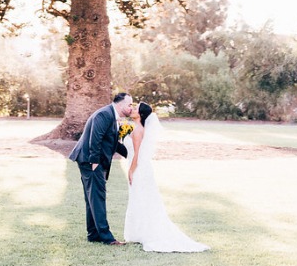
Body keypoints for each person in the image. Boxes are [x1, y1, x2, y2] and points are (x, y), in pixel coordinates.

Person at [123, 101, 209, 252]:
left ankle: (146, 233)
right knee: (142, 200)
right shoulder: (138, 128)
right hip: (143, 169)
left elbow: (137, 154)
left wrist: (131, 171)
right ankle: (139, 232)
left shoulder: (137, 130)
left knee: (141, 199)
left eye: (135, 108)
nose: (132, 109)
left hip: (139, 169)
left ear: (141, 114)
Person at [68, 92, 134, 245]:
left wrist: (132, 153)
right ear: (121, 104)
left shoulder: (112, 116)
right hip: (90, 160)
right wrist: (95, 162)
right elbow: (95, 138)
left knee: (92, 197)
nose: (131, 108)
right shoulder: (104, 115)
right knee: (98, 197)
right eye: (129, 105)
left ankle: (93, 234)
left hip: (90, 160)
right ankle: (107, 237)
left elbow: (112, 142)